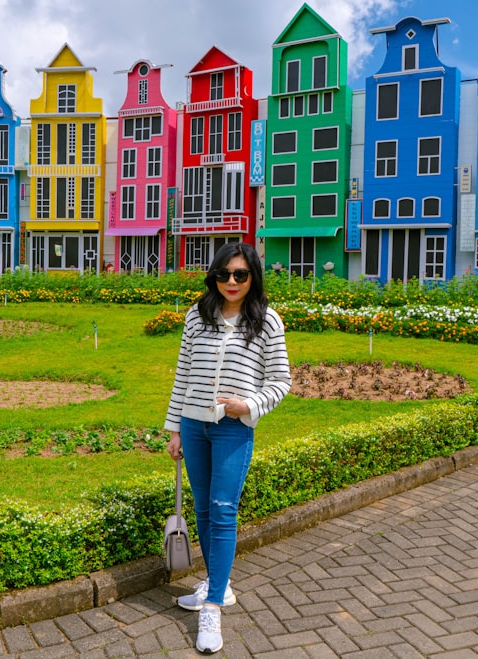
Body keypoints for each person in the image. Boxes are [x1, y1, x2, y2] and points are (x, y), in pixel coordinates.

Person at [165, 242, 291, 654]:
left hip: (233, 429)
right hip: (194, 426)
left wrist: (249, 404)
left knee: (222, 510)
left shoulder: (267, 321)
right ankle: (216, 583)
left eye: (240, 274)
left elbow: (281, 381)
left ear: (252, 276)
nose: (231, 282)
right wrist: (175, 430)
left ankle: (214, 605)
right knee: (203, 509)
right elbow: (182, 375)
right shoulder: (196, 316)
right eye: (224, 274)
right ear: (213, 276)